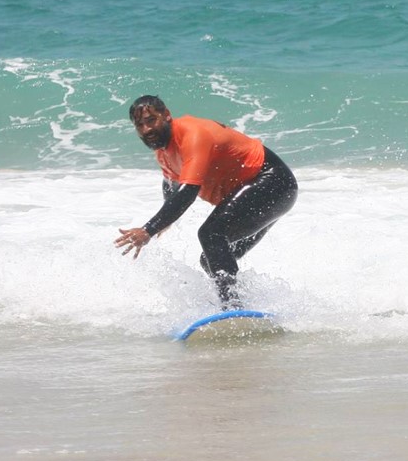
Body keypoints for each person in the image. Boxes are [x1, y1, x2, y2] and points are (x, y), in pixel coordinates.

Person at [114, 95, 299, 308]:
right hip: (259, 193)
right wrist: (165, 221)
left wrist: (148, 229)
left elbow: (188, 191)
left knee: (211, 234)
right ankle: (247, 305)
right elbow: (171, 186)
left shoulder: (192, 134)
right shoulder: (163, 154)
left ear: (166, 116)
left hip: (274, 183)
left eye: (151, 120)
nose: (146, 129)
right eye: (140, 125)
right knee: (211, 258)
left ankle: (233, 307)